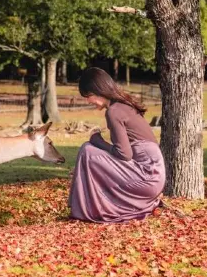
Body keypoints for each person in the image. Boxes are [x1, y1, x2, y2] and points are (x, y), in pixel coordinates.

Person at [69, 67, 165, 223]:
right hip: (154, 175)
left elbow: (124, 154)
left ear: (99, 90)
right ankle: (92, 206)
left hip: (147, 176)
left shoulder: (113, 111)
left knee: (87, 150)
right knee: (91, 150)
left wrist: (98, 142)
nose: (88, 101)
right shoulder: (123, 104)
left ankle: (86, 209)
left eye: (89, 96)